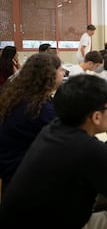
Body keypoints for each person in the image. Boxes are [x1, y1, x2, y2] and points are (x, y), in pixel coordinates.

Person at [0, 75, 107, 228]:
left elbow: (97, 158)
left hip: (19, 218)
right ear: (96, 117)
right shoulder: (87, 149)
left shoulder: (53, 128)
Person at [0, 53, 64, 194]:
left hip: (11, 167)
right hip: (21, 177)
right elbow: (68, 138)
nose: (64, 73)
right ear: (50, 74)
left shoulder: (22, 96)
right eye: (61, 69)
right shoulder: (39, 108)